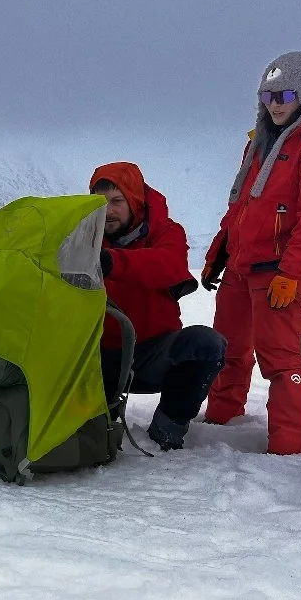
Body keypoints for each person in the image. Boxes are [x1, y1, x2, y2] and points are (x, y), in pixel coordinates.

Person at [201, 50, 301, 455]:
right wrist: (218, 254)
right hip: (241, 268)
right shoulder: (260, 143)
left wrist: (292, 272)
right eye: (267, 96)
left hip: (279, 270)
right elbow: (239, 207)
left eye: (285, 94)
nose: (274, 104)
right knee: (227, 348)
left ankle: (291, 446)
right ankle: (220, 421)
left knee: (280, 359)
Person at [90, 162, 227, 450]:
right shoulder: (83, 235)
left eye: (117, 201)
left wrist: (114, 262)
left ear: (135, 200)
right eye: (100, 202)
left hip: (151, 355)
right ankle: (95, 425)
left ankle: (166, 433)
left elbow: (169, 265)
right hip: (94, 357)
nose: (108, 211)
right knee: (92, 437)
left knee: (205, 343)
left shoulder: (166, 232)